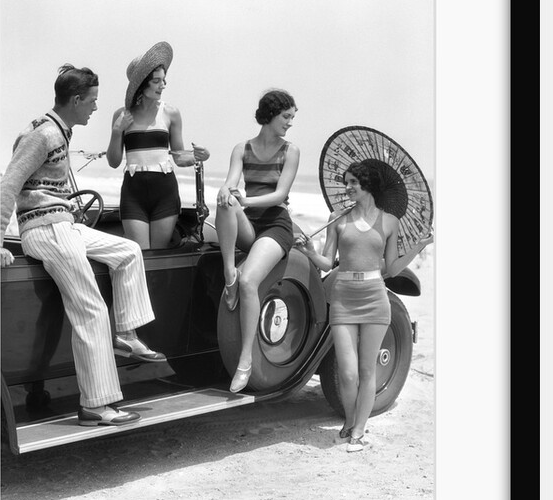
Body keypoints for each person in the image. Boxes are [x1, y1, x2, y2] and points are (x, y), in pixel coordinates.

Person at [0, 63, 166, 428]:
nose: (95, 107)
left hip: (63, 223)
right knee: (91, 310)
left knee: (128, 252)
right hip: (47, 231)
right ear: (75, 100)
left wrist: (64, 203)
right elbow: (10, 184)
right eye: (91, 101)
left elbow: (41, 186)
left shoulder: (61, 131)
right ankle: (97, 405)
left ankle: (126, 334)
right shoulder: (43, 135)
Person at [295, 161, 433, 452]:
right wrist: (308, 251)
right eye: (346, 182)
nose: (347, 188)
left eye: (353, 182)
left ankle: (357, 430)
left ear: (368, 185)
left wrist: (419, 246)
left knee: (368, 370)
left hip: (374, 298)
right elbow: (326, 261)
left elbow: (393, 268)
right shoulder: (337, 219)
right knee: (347, 372)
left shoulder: (389, 222)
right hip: (343, 296)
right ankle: (349, 421)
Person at [215, 89, 300, 394]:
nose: (289, 123)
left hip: (275, 226)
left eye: (292, 117)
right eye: (285, 116)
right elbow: (231, 180)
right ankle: (228, 272)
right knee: (223, 199)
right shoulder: (242, 148)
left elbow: (279, 195)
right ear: (269, 115)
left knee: (250, 281)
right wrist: (229, 191)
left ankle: (245, 361)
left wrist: (246, 200)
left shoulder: (291, 151)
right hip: (250, 225)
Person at [106, 41, 210, 250]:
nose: (163, 85)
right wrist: (117, 132)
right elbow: (114, 162)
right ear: (141, 85)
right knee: (140, 254)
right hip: (133, 193)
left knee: (159, 255)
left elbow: (179, 158)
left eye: (163, 80)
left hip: (165, 192)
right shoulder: (122, 115)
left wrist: (200, 156)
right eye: (156, 81)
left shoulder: (171, 113)